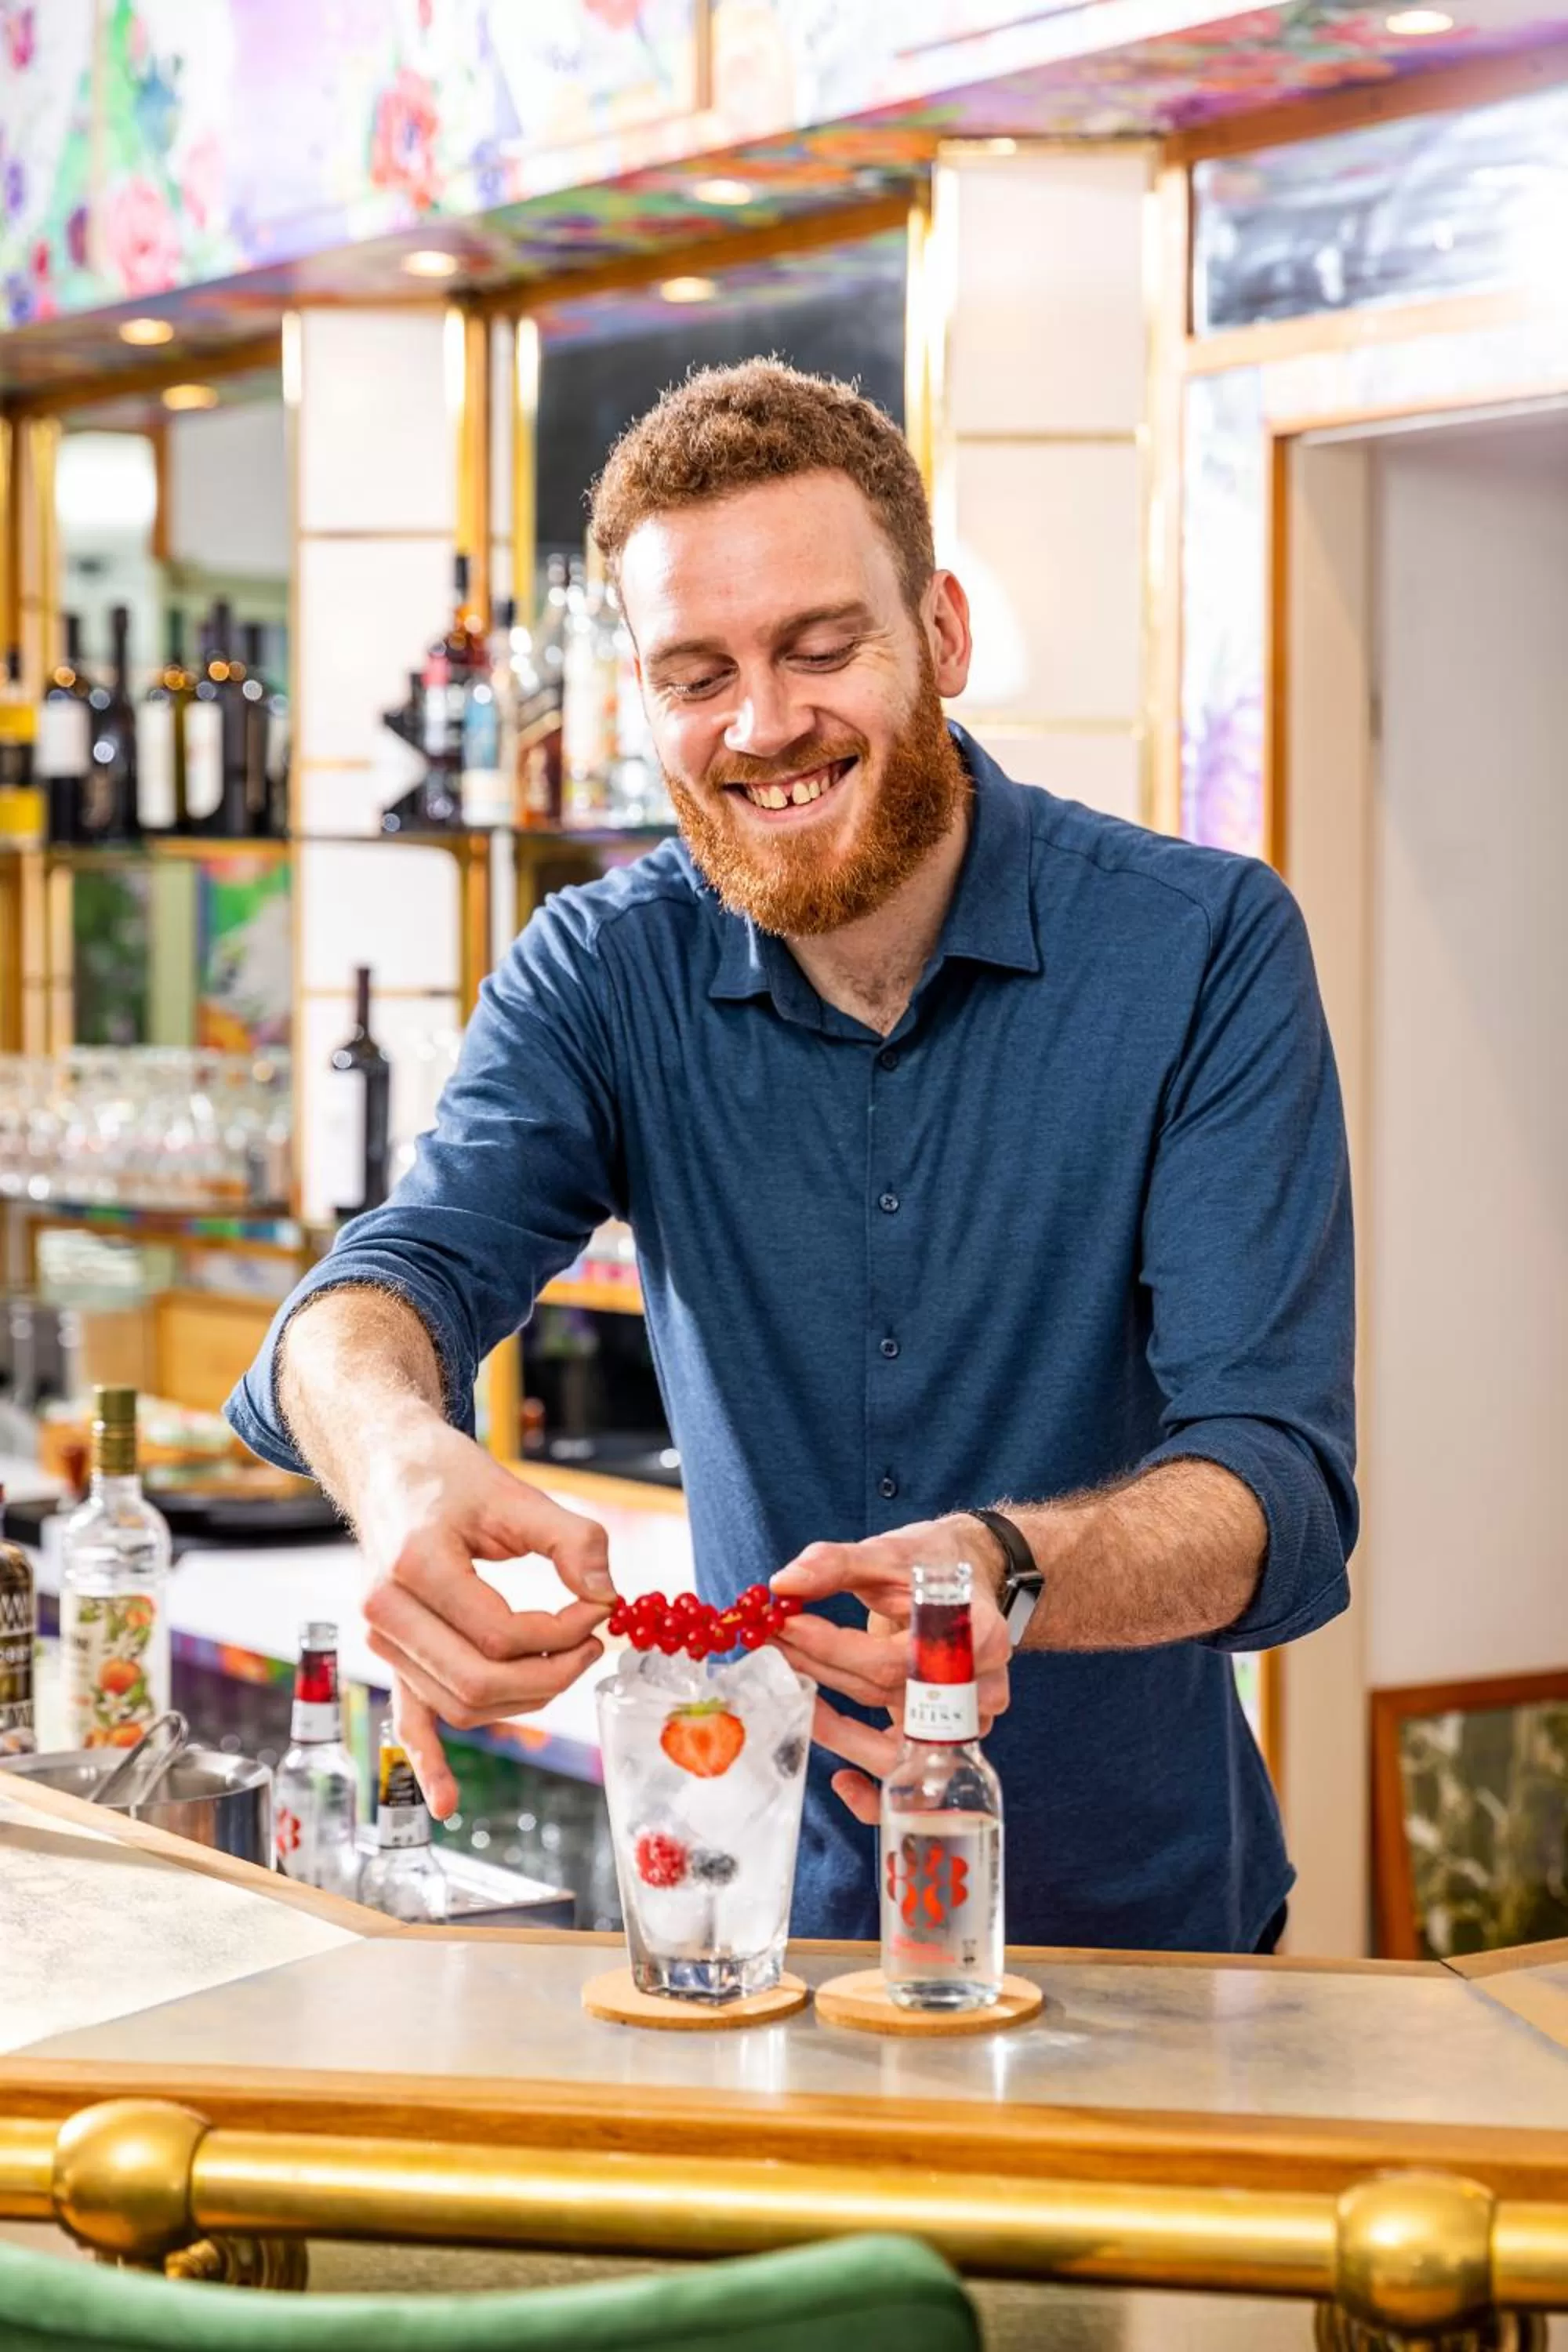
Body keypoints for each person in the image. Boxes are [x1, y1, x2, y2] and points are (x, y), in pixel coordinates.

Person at [228, 360, 1356, 1953]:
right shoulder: (595, 970)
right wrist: (398, 1463)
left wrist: (1003, 1575)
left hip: (1140, 1929)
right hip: (750, 1928)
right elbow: (385, 1287)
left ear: (941, 636)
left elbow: (1278, 1482)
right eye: (696, 673)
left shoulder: (1203, 949)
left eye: (821, 649)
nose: (762, 725)